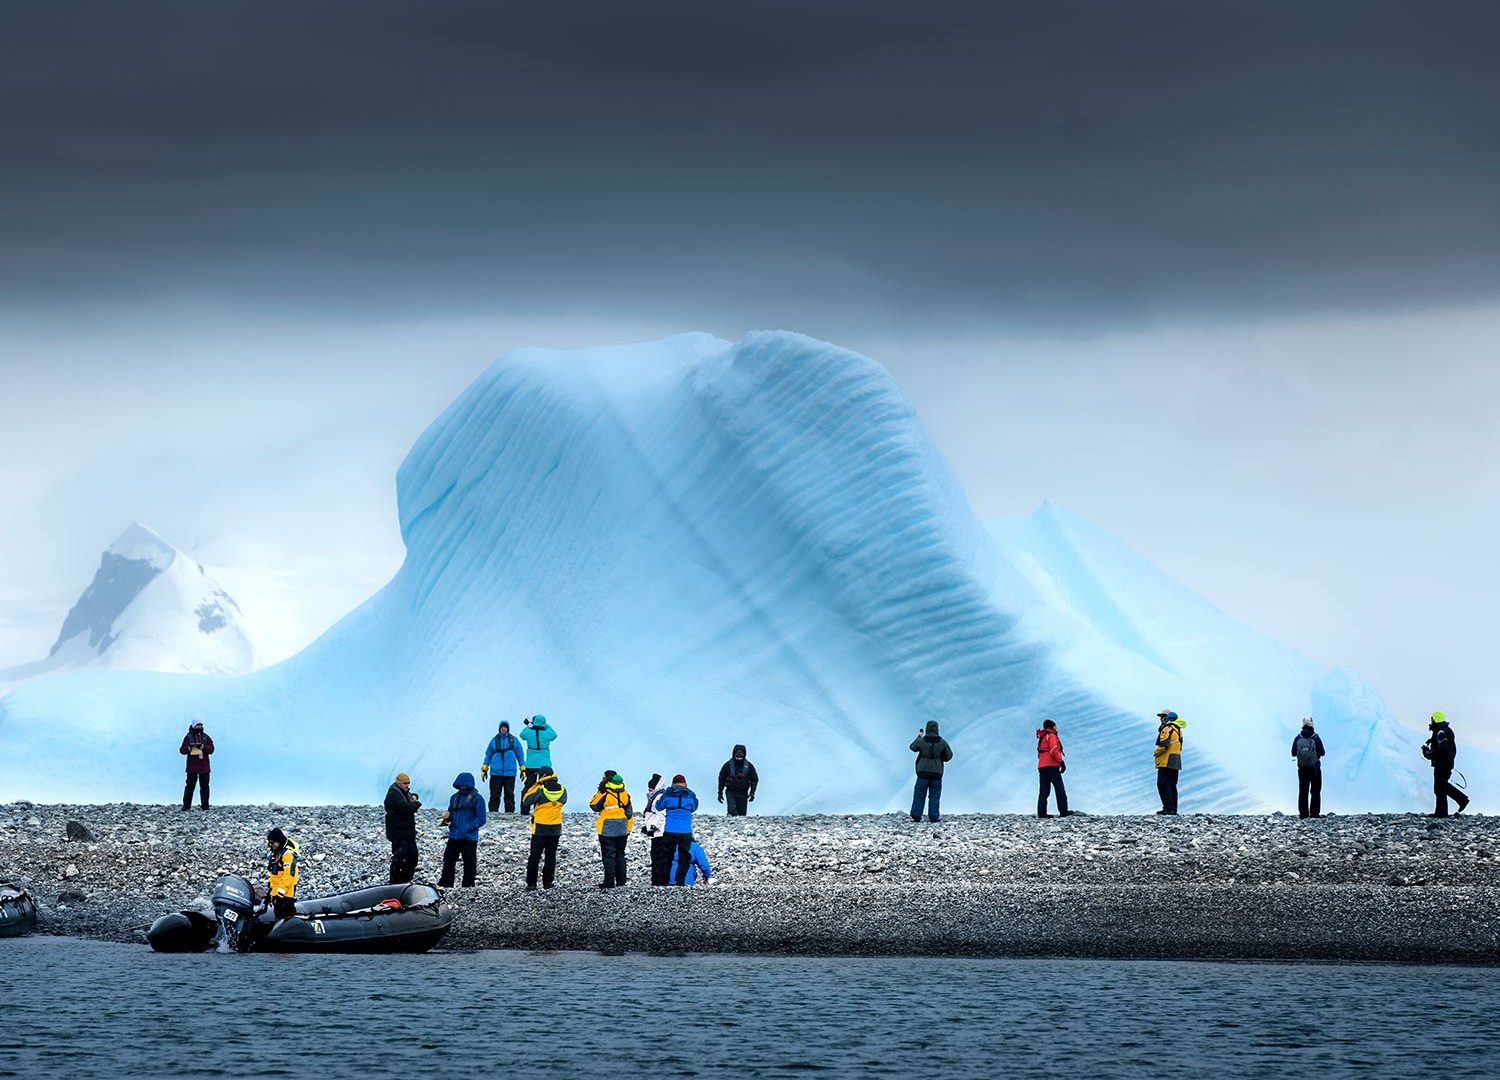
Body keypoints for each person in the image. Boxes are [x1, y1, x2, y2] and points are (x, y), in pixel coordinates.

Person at [438, 771, 487, 888]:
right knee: (448, 860)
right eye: (460, 785)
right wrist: (447, 818)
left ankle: (468, 885)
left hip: (469, 837)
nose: (462, 787)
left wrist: (468, 827)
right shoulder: (454, 798)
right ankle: (446, 883)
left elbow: (481, 819)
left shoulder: (478, 799)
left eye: (464, 785)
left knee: (469, 862)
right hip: (454, 835)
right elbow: (451, 813)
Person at [522, 767, 568, 890]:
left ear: (541, 776)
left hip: (540, 827)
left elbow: (526, 800)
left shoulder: (539, 789)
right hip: (556, 826)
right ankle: (548, 882)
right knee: (550, 856)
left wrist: (535, 785)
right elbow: (564, 801)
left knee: (535, 856)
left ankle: (531, 884)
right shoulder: (563, 790)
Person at [589, 771, 634, 888]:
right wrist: (629, 828)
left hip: (607, 828)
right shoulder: (625, 793)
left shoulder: (605, 793)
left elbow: (593, 805)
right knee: (620, 854)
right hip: (622, 827)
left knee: (608, 856)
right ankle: (621, 881)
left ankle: (609, 882)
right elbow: (629, 813)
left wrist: (600, 791)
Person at [651, 774, 699, 886]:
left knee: (667, 856)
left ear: (673, 783)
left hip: (670, 830)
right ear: (685, 783)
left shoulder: (667, 794)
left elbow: (659, 807)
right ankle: (680, 881)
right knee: (684, 857)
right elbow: (694, 808)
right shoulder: (690, 795)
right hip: (685, 831)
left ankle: (665, 881)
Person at [1422, 711, 1469, 817]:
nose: (1431, 722)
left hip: (1442, 764)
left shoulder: (1440, 732)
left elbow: (1443, 749)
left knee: (1439, 788)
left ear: (1435, 719)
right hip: (1446, 763)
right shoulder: (1445, 731)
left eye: (1432, 720)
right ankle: (1462, 800)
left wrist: (1429, 752)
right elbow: (1449, 748)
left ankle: (1441, 813)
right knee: (1442, 786)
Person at [909, 721, 953, 823]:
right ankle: (933, 817)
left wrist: (919, 737)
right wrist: (940, 757)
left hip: (922, 772)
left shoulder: (922, 740)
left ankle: (916, 815)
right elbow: (949, 756)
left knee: (919, 794)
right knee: (934, 795)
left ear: (927, 728)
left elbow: (912, 747)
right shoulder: (943, 742)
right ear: (937, 729)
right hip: (937, 773)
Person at [384, 772, 422, 884]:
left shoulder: (401, 792)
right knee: (399, 858)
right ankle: (394, 881)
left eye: (408, 783)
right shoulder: (393, 795)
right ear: (399, 783)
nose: (407, 785)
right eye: (405, 783)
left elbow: (409, 797)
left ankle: (404, 880)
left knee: (413, 857)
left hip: (408, 833)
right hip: (398, 833)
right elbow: (406, 807)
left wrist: (414, 797)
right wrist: (417, 804)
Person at [481, 720, 526, 813]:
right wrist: (485, 767)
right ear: (499, 728)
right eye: (502, 727)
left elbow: (520, 754)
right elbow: (488, 754)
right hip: (495, 772)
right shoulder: (494, 740)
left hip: (510, 772)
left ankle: (509, 813)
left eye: (505, 727)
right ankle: (493, 812)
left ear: (508, 729)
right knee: (494, 794)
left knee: (509, 794)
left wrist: (522, 767)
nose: (503, 729)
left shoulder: (514, 740)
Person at [1290, 719, 1326, 819]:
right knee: (1315, 790)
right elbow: (1322, 752)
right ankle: (1314, 814)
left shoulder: (1298, 738)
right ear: (1312, 725)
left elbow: (1293, 753)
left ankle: (1303, 814)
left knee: (1303, 791)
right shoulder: (1316, 737)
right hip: (1315, 768)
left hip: (1302, 769)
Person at [1154, 710, 1186, 815]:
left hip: (1166, 759)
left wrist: (1156, 753)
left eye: (1162, 716)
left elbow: (1163, 745)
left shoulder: (1167, 729)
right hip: (1176, 759)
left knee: (1163, 783)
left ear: (1167, 718)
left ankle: (1168, 808)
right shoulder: (1178, 729)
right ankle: (1173, 809)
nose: (1160, 719)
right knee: (1172, 784)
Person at [1036, 719, 1069, 818]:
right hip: (1052, 766)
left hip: (1042, 766)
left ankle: (1041, 813)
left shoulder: (1042, 738)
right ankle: (1063, 811)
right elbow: (1054, 750)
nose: (1056, 728)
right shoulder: (1051, 736)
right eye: (1055, 726)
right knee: (1059, 789)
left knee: (1044, 791)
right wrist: (1061, 762)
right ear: (1052, 727)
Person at [179, 721, 214, 811]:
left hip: (204, 766)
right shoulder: (188, 737)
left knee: (205, 786)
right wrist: (189, 748)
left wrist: (204, 747)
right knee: (190, 786)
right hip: (192, 767)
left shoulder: (206, 737)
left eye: (201, 725)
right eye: (198, 725)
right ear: (194, 725)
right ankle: (186, 806)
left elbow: (212, 749)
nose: (200, 726)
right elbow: (182, 750)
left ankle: (205, 806)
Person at [520, 714, 557, 798]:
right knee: (545, 785)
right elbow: (554, 735)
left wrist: (529, 725)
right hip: (545, 764)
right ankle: (542, 806)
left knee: (529, 785)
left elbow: (522, 735)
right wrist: (545, 724)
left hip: (531, 763)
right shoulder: (547, 732)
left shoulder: (529, 731)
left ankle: (524, 809)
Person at [265, 827, 299, 920]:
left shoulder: (288, 855)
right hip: (277, 893)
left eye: (272, 843)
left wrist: (280, 893)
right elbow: (274, 875)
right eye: (269, 843)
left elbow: (289, 876)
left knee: (287, 916)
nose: (271, 845)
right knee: (278, 915)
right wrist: (271, 893)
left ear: (279, 841)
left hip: (286, 894)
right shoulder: (276, 854)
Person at [716, 744, 759, 816]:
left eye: (741, 757)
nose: (739, 758)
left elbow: (754, 779)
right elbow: (721, 778)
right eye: (737, 756)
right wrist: (720, 792)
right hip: (731, 792)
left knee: (742, 815)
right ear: (733, 755)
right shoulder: (728, 765)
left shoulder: (749, 766)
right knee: (731, 811)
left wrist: (752, 793)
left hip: (743, 793)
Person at [640, 773, 667, 840]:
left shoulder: (659, 797)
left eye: (651, 789)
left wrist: (653, 826)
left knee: (658, 848)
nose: (649, 791)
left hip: (660, 831)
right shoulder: (655, 796)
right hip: (657, 830)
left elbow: (661, 814)